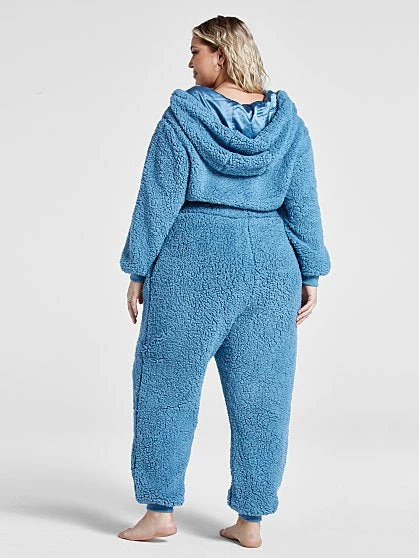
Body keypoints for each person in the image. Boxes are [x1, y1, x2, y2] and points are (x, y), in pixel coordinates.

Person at [117, 15, 331, 548]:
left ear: (222, 54)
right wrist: (309, 271)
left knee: (166, 385)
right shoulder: (288, 127)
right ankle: (250, 521)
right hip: (271, 262)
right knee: (264, 395)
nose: (189, 62)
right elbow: (303, 202)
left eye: (196, 51)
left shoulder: (182, 119)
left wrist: (138, 267)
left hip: (195, 257)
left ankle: (159, 511)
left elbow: (157, 198)